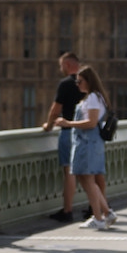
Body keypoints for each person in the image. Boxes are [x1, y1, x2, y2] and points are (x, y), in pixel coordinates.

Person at [56, 65, 115, 230]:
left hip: (87, 142)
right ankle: (107, 212)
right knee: (87, 180)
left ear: (89, 81)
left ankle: (98, 218)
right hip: (89, 142)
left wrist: (67, 123)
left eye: (80, 81)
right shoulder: (96, 97)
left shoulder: (93, 98)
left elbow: (91, 122)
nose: (78, 84)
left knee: (88, 180)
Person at [39, 52, 85, 222]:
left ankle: (67, 210)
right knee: (88, 172)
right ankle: (96, 207)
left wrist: (49, 125)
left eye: (61, 66)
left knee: (69, 172)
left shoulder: (65, 84)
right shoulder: (89, 83)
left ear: (66, 65)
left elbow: (55, 109)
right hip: (87, 132)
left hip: (69, 131)